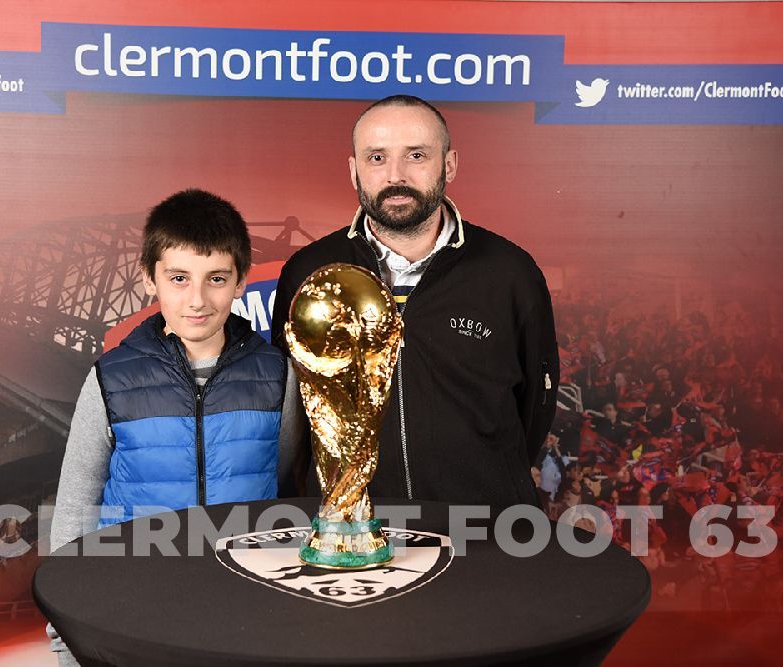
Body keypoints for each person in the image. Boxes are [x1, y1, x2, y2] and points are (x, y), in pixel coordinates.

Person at [48, 188, 299, 666]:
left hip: (245, 612)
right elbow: (77, 503)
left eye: (217, 279)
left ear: (241, 281)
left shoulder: (276, 375)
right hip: (135, 606)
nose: (197, 300)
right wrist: (65, 629)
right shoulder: (111, 379)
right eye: (179, 278)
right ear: (150, 279)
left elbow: (281, 475)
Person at [271, 95, 559, 510]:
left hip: (485, 533)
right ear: (354, 170)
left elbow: (535, 408)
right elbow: (293, 413)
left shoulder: (511, 272)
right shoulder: (309, 271)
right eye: (376, 157)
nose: (395, 175)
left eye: (417, 155)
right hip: (355, 533)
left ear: (450, 164)